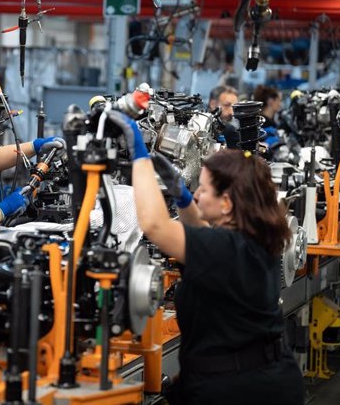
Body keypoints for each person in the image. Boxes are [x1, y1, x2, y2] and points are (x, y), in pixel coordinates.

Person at [108, 110, 305, 405]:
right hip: (254, 380)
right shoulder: (248, 240)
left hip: (242, 391)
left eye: (202, 189)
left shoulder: (229, 247)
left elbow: (155, 226)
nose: (196, 194)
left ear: (226, 204)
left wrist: (139, 157)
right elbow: (200, 231)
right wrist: (183, 199)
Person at [253, 84, 283, 149]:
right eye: (279, 100)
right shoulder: (263, 123)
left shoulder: (270, 121)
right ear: (270, 101)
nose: (280, 104)